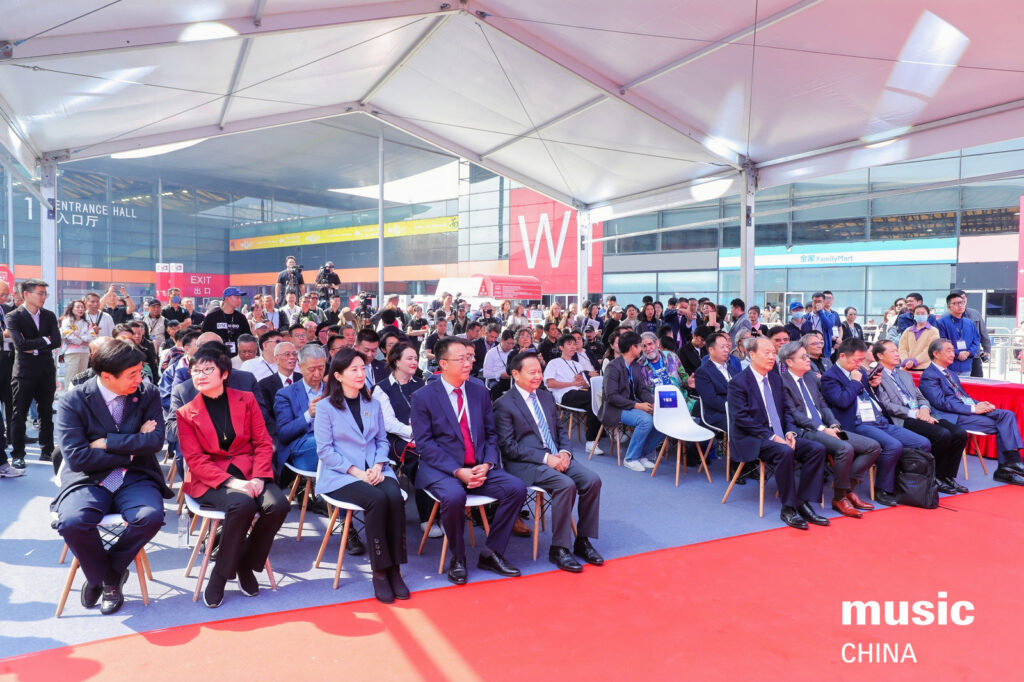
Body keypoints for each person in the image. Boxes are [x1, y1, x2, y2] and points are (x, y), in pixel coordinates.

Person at [53, 339, 171, 614]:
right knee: (72, 522)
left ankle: (107, 575)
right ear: (107, 376)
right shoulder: (74, 401)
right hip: (89, 477)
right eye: (132, 375)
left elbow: (154, 441)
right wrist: (131, 447)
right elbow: (78, 457)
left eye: (140, 372)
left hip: (135, 475)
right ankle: (103, 578)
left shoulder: (147, 393)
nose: (139, 379)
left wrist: (106, 442)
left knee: (150, 516)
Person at [410, 337, 527, 585]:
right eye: (461, 358)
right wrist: (456, 471)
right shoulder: (424, 397)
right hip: (443, 469)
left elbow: (491, 434)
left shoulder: (478, 391)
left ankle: (491, 552)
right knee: (454, 497)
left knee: (516, 488)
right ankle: (458, 558)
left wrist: (488, 463)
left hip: (478, 466)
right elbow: (425, 445)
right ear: (442, 363)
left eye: (469, 357)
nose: (468, 362)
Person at [177, 345, 288, 608]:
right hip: (210, 478)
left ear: (224, 373)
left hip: (251, 470)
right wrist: (234, 483)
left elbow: (262, 442)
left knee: (278, 505)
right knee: (242, 503)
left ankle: (245, 564)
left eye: (208, 369)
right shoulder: (186, 413)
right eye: (195, 371)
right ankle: (219, 576)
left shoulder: (246, 399)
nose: (201, 375)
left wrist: (260, 477)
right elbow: (195, 460)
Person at [314, 348, 408, 603]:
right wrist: (357, 472)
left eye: (362, 368)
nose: (360, 373)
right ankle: (379, 571)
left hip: (375, 469)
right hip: (341, 474)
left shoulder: (372, 403)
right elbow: (325, 451)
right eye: (353, 369)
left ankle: (396, 570)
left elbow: (381, 440)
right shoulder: (325, 408)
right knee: (376, 500)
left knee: (395, 497)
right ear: (338, 375)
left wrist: (378, 466)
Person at [495, 352, 604, 572]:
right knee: (565, 485)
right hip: (526, 463)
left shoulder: (545, 397)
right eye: (532, 372)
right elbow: (508, 446)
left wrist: (565, 452)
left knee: (592, 480)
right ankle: (559, 548)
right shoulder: (503, 404)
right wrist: (547, 458)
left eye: (539, 371)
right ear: (515, 374)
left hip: (556, 455)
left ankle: (582, 540)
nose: (538, 376)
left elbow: (560, 430)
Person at [727, 337, 829, 530]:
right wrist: (773, 437)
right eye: (767, 352)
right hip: (753, 437)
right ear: (751, 354)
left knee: (817, 449)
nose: (772, 356)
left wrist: (790, 431)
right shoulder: (738, 383)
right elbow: (742, 419)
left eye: (774, 352)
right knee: (784, 452)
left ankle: (803, 501)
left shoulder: (775, 379)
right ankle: (788, 508)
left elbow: (786, 411)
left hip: (780, 433)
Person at [821, 338, 930, 507]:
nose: (859, 364)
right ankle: (882, 489)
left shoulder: (861, 372)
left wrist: (874, 386)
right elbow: (842, 401)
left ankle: (906, 484)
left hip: (878, 419)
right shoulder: (830, 377)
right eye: (856, 360)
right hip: (857, 423)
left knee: (922, 443)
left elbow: (869, 397)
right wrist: (855, 382)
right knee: (893, 446)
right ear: (842, 356)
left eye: (861, 360)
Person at [778, 341, 880, 517]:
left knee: (872, 446)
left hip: (827, 428)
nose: (808, 359)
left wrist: (833, 425)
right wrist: (823, 429)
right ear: (789, 361)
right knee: (844, 448)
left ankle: (847, 489)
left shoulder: (810, 377)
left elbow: (823, 406)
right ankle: (839, 498)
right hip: (808, 431)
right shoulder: (782, 382)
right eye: (803, 357)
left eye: (807, 355)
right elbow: (794, 415)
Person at [919, 338, 1024, 486]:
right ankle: (1008, 466)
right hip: (952, 416)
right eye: (948, 350)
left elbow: (963, 396)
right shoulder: (929, 375)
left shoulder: (951, 373)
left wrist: (979, 404)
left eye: (952, 350)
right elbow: (941, 403)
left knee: (1007, 415)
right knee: (1003, 426)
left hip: (966, 409)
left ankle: (1009, 465)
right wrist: (974, 409)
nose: (953, 353)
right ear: (936, 353)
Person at [872, 340, 968, 495]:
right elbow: (886, 405)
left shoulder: (904, 374)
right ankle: (934, 475)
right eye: (892, 351)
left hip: (921, 413)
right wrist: (915, 413)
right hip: (903, 418)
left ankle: (946, 475)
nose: (897, 354)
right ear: (880, 355)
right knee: (941, 435)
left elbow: (920, 396)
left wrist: (923, 409)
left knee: (959, 433)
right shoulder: (877, 376)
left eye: (897, 350)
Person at [371, 341, 440, 538]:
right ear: (396, 361)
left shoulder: (421, 383)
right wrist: (415, 433)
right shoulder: (381, 388)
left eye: (416, 359)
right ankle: (427, 517)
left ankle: (445, 509)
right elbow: (388, 423)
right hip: (396, 440)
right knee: (421, 461)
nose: (414, 362)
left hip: (424, 435)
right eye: (409, 358)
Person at [8, 278, 60, 468]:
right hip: (24, 371)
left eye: (45, 293)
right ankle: (18, 454)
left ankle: (47, 451)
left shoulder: (49, 315)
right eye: (40, 293)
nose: (44, 297)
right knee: (19, 414)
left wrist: (39, 343)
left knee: (46, 412)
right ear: (26, 294)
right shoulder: (14, 316)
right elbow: (20, 345)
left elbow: (56, 341)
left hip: (46, 370)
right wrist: (44, 341)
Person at [599, 331, 664, 472]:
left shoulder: (635, 366)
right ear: (632, 348)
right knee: (646, 420)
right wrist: (637, 405)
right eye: (640, 346)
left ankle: (642, 455)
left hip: (631, 406)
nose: (642, 349)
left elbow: (642, 390)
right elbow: (611, 397)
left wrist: (654, 404)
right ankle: (630, 458)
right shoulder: (613, 367)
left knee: (663, 417)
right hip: (615, 408)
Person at [274, 344, 327, 476]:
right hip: (303, 445)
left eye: (321, 368)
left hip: (332, 440)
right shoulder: (285, 394)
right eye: (312, 369)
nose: (317, 374)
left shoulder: (333, 390)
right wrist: (308, 415)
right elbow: (283, 433)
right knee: (324, 441)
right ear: (300, 366)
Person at [544, 334, 603, 453]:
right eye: (569, 344)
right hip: (564, 395)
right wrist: (572, 383)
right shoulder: (554, 363)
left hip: (580, 393)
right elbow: (550, 383)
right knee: (595, 399)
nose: (572, 347)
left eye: (574, 344)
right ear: (561, 347)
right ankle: (593, 440)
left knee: (596, 401)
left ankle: (592, 441)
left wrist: (582, 382)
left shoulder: (577, 364)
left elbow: (586, 385)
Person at [693, 332, 738, 436]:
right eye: (722, 347)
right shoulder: (703, 372)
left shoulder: (732, 369)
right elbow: (712, 400)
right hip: (717, 414)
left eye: (727, 346)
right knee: (744, 425)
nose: (727, 350)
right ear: (711, 350)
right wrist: (735, 407)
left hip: (736, 410)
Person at [255, 341, 301, 441]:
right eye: (287, 354)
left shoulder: (303, 379)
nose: (292, 357)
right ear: (276, 359)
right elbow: (267, 416)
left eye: (294, 354)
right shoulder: (264, 385)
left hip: (304, 430)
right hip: (278, 434)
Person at [935, 291, 980, 376]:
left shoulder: (970, 323)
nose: (960, 305)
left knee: (964, 388)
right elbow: (941, 342)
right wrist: (957, 354)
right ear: (949, 307)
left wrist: (968, 353)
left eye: (962, 302)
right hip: (949, 365)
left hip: (966, 365)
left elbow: (976, 341)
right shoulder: (941, 322)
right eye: (956, 303)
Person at [201, 287, 251, 357]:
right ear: (227, 298)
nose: (239, 300)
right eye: (237, 297)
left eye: (240, 298)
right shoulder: (211, 317)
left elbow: (247, 337)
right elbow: (204, 337)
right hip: (216, 356)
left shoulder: (241, 317)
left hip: (237, 356)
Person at [60, 299, 96, 381]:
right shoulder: (66, 321)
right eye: (78, 307)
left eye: (82, 307)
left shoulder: (87, 322)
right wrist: (83, 340)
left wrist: (80, 337)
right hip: (71, 353)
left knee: (82, 378)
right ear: (72, 309)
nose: (81, 309)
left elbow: (92, 337)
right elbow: (71, 337)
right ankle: (69, 393)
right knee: (71, 378)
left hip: (85, 352)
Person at [897, 304, 939, 371]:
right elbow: (902, 347)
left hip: (925, 368)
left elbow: (930, 349)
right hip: (906, 368)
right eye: (917, 313)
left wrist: (915, 361)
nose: (920, 315)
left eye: (923, 313)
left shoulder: (934, 331)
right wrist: (906, 360)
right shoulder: (908, 330)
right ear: (914, 315)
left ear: (928, 315)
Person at [483, 329, 516, 399]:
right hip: (495, 379)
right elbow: (486, 373)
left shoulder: (514, 352)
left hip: (510, 379)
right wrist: (500, 375)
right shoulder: (491, 353)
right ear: (501, 340)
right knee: (496, 388)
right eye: (509, 343)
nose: (511, 346)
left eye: (513, 344)